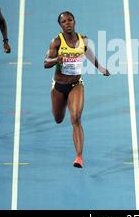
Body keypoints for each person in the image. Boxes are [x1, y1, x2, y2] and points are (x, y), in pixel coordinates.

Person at [44, 11, 110, 168]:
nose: (67, 23)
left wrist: (101, 68)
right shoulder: (56, 42)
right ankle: (64, 104)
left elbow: (88, 52)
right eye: (64, 22)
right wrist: (56, 59)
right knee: (58, 119)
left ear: (74, 22)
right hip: (59, 87)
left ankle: (79, 157)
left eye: (70, 20)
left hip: (76, 85)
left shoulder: (83, 39)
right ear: (60, 25)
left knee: (76, 118)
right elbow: (46, 63)